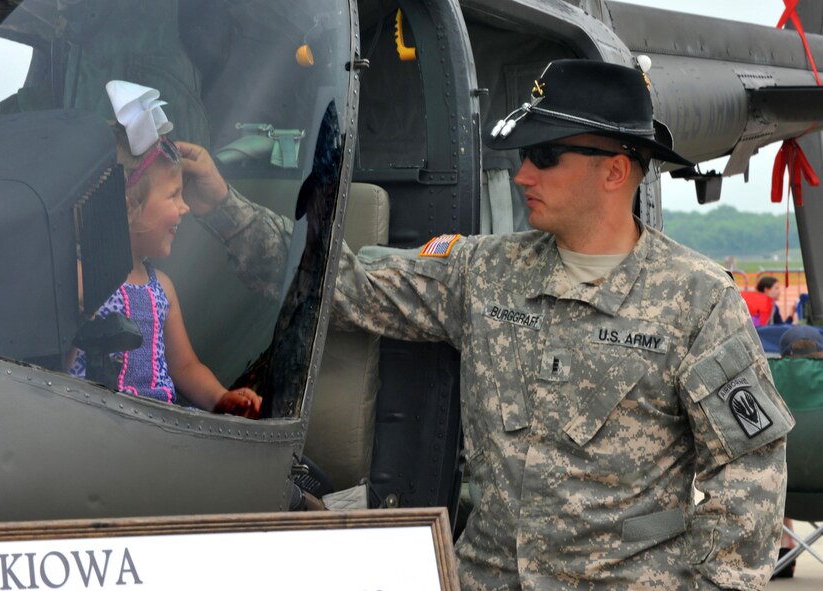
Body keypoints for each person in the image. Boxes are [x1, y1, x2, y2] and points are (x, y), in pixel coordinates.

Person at [180, 60, 793, 589]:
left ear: (615, 171)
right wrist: (218, 206)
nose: (524, 174)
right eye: (525, 154)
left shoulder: (697, 299)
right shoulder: (485, 271)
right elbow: (342, 288)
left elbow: (750, 473)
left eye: (546, 156)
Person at [70, 80, 262, 419]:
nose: (184, 207)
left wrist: (222, 398)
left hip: (157, 434)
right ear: (128, 208)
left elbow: (186, 366)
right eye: (173, 195)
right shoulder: (81, 280)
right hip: (93, 428)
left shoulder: (163, 290)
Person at [770, 325, 823, 578]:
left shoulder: (767, 381)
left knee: (772, 456)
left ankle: (783, 548)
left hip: (782, 498)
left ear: (782, 357)